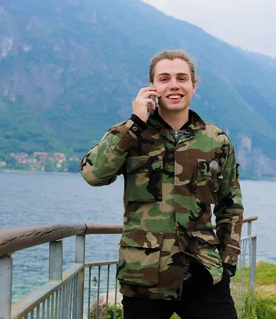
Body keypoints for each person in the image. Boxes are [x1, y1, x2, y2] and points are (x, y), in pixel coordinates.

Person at [80, 49, 244, 319]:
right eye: (164, 78)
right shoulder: (131, 133)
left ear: (193, 85)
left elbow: (231, 205)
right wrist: (134, 123)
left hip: (204, 273)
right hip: (145, 278)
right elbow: (93, 175)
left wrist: (227, 263)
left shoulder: (216, 141)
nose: (174, 85)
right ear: (152, 87)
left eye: (181, 78)